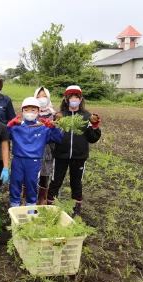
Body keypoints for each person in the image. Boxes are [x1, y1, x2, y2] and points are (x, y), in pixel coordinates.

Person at [47, 85, 102, 217]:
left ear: (81, 98)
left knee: (76, 183)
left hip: (79, 156)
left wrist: (94, 127)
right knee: (55, 182)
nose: (73, 99)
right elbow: (52, 136)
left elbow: (92, 138)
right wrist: (53, 125)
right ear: (66, 99)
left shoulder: (87, 116)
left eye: (76, 97)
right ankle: (50, 208)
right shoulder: (60, 116)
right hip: (61, 155)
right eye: (71, 97)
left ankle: (75, 211)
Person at [7, 97, 64, 207]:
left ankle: (31, 207)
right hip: (18, 159)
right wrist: (9, 126)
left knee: (31, 183)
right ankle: (14, 206)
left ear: (38, 112)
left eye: (33, 110)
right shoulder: (17, 127)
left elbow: (59, 138)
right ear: (22, 111)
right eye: (27, 110)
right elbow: (4, 136)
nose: (30, 113)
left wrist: (53, 128)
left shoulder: (43, 128)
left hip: (34, 161)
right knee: (15, 182)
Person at [35, 87, 56, 205]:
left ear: (48, 98)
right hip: (33, 150)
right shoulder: (32, 112)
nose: (41, 99)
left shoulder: (53, 115)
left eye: (44, 96)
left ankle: (42, 199)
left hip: (47, 151)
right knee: (30, 174)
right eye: (38, 96)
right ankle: (27, 197)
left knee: (44, 175)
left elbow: (56, 134)